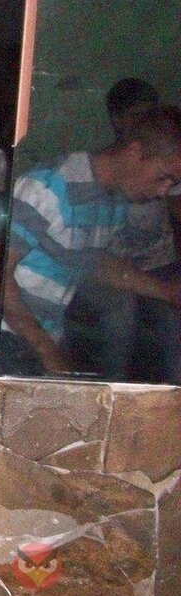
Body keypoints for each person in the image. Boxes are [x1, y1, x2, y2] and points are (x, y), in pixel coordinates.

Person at [1, 103, 181, 376]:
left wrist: (167, 292)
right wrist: (48, 352)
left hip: (45, 334)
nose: (164, 191)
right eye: (163, 178)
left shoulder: (115, 200)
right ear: (134, 153)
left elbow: (93, 261)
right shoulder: (50, 188)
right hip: (8, 337)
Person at [62, 79, 181, 381]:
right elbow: (92, 262)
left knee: (173, 323)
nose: (162, 190)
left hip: (157, 266)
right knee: (120, 313)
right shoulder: (99, 177)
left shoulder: (164, 168)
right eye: (139, 116)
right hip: (111, 271)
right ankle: (112, 389)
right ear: (117, 120)